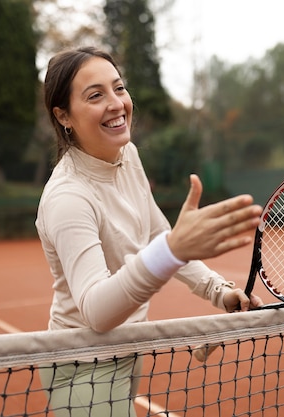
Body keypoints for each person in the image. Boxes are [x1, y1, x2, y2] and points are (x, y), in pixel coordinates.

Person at [35, 46, 263, 417]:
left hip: (129, 347)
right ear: (64, 116)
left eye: (119, 88)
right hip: (82, 365)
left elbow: (159, 236)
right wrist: (172, 249)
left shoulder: (129, 157)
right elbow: (96, 311)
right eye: (95, 95)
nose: (116, 103)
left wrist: (218, 290)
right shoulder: (68, 197)